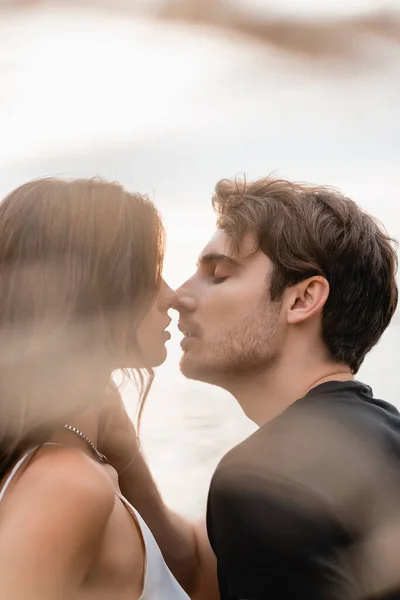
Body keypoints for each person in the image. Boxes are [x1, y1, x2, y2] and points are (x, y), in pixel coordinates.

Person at [101, 176, 400, 600]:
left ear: (302, 299)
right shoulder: (383, 436)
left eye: (219, 273)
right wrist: (121, 445)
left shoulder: (266, 477)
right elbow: (202, 570)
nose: (179, 296)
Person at [0, 177, 195, 600]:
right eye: (149, 274)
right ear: (88, 292)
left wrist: (127, 457)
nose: (172, 295)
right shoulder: (66, 487)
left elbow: (191, 566)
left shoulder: (72, 464)